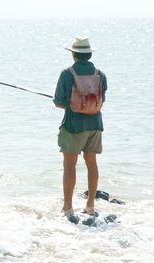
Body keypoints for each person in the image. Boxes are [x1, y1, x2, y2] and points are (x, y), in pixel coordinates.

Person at [53, 36, 107, 218]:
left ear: (74, 54)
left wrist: (69, 104)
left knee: (70, 165)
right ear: (90, 54)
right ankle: (90, 205)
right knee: (92, 163)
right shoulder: (101, 74)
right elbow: (101, 101)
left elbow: (59, 102)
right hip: (95, 125)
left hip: (72, 126)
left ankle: (68, 207)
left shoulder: (67, 74)